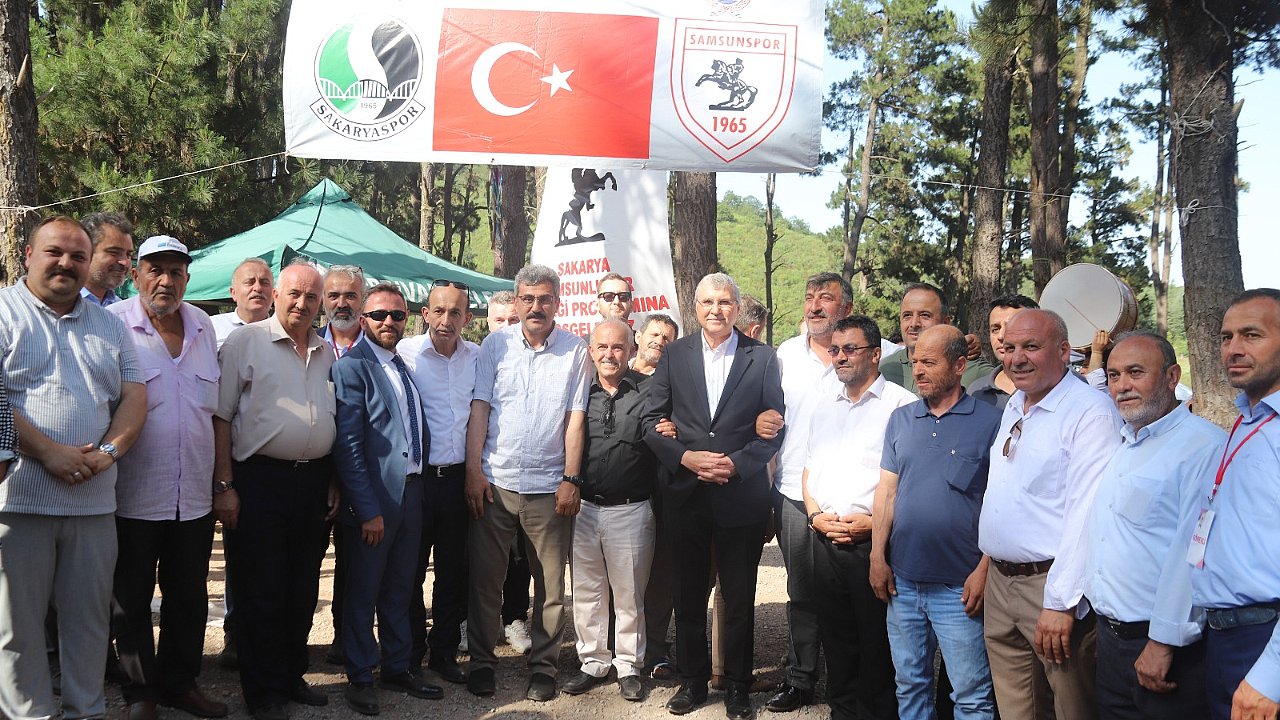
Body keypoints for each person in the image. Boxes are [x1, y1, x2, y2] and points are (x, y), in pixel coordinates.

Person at [0, 216, 147, 720]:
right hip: (19, 502)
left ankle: (87, 712)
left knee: (88, 625)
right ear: (28, 255)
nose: (66, 263)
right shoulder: (3, 312)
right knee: (16, 630)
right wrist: (48, 451)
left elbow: (134, 395)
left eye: (78, 256)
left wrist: (108, 452)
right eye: (54, 252)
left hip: (93, 504)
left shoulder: (109, 324)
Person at [643, 272, 785, 720]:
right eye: (707, 302)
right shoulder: (675, 354)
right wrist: (685, 458)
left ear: (737, 308)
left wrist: (738, 463)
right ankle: (692, 682)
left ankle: (738, 687)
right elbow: (650, 420)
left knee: (739, 598)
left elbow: (775, 426)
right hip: (685, 494)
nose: (716, 310)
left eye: (724, 302)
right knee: (687, 596)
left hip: (739, 494)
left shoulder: (763, 358)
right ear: (696, 308)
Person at [978, 309, 1123, 720]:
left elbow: (1087, 514)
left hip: (1051, 586)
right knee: (1017, 709)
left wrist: (1061, 603)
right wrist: (986, 566)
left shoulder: (1090, 412)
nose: (1016, 358)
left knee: (1072, 707)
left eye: (1031, 347)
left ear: (1063, 351)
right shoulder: (1016, 404)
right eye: (1009, 348)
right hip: (1001, 584)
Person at [106, 236, 228, 720]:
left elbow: (215, 413)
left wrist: (222, 484)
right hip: (132, 493)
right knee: (130, 597)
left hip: (193, 494)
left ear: (187, 279)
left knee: (188, 596)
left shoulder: (203, 325)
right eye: (155, 269)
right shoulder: (113, 324)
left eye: (176, 272)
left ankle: (180, 683)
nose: (165, 280)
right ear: (136, 275)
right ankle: (141, 693)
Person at [213, 262, 340, 720]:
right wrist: (225, 485)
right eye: (294, 294)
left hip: (313, 482)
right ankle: (263, 691)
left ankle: (290, 675)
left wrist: (332, 479)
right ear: (276, 294)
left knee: (302, 588)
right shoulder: (244, 343)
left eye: (312, 296)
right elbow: (221, 417)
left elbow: (331, 420)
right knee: (260, 590)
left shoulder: (326, 351)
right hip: (259, 481)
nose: (302, 303)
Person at [464, 264, 591, 702]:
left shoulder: (575, 350)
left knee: (550, 588)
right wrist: (473, 472)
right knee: (485, 582)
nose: (536, 307)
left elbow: (575, 419)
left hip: (549, 488)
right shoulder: (494, 344)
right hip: (495, 483)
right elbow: (480, 409)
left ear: (557, 303)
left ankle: (543, 667)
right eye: (528, 299)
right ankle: (482, 663)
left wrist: (570, 478)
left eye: (545, 299)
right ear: (516, 302)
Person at [1084, 331, 1220, 720]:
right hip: (1112, 642)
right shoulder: (1126, 443)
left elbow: (1193, 554)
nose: (1122, 385)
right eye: (1113, 375)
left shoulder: (1202, 447)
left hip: (1165, 648)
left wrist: (1163, 641)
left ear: (1172, 377)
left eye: (1136, 372)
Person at [870, 325, 1002, 720]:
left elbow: (1003, 505)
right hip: (903, 583)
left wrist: (984, 570)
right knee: (910, 686)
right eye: (915, 362)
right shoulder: (901, 419)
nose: (918, 371)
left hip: (960, 587)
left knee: (971, 696)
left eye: (929, 362)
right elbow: (886, 493)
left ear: (960, 365)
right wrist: (877, 557)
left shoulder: (991, 422)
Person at [332, 284, 444, 715]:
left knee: (400, 588)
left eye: (397, 315)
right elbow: (348, 447)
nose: (389, 322)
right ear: (363, 319)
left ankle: (397, 667)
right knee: (363, 593)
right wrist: (366, 509)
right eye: (379, 315)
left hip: (411, 494)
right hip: (375, 503)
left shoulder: (401, 365)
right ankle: (360, 675)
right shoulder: (352, 368)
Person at [800, 315, 915, 720]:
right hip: (825, 538)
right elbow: (809, 471)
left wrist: (874, 526)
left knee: (876, 643)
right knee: (837, 640)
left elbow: (911, 483)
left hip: (874, 544)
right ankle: (843, 712)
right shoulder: (824, 406)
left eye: (851, 349)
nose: (840, 357)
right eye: (835, 350)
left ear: (876, 354)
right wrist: (814, 515)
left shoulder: (902, 407)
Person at [761, 273, 852, 713]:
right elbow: (767, 413)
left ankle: (847, 683)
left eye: (826, 299)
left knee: (849, 593)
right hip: (794, 493)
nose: (815, 306)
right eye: (809, 298)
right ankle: (800, 679)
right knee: (801, 592)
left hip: (850, 500)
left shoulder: (875, 354)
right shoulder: (785, 355)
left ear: (846, 308)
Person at [1191, 288, 1280, 720]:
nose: (1233, 349)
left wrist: (1271, 675)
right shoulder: (1246, 421)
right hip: (1224, 638)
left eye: (1252, 335)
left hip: (1264, 642)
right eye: (1226, 337)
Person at [562, 319, 657, 702]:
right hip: (585, 508)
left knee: (629, 594)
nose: (609, 354)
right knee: (587, 591)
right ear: (591, 351)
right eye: (601, 347)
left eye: (617, 347)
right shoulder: (579, 391)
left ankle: (629, 665)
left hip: (631, 510)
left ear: (631, 350)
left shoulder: (650, 392)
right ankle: (593, 662)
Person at [399, 279, 477, 684]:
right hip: (418, 481)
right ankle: (410, 650)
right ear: (425, 314)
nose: (447, 320)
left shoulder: (477, 357)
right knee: (410, 570)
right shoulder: (405, 354)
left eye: (455, 312)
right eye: (439, 311)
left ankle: (444, 653)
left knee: (453, 571)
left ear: (467, 317)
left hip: (459, 481)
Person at [481, 288, 535, 655]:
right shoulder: (477, 356)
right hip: (479, 472)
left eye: (512, 320)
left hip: (522, 476)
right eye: (499, 320)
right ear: (487, 322)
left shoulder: (532, 358)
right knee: (476, 555)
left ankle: (514, 617)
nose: (505, 326)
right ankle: (473, 619)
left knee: (519, 555)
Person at [320, 265, 366, 665]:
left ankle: (344, 636)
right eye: (333, 295)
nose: (342, 303)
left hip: (362, 477)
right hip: (315, 474)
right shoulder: (308, 345)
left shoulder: (384, 350)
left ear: (362, 300)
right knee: (305, 562)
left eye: (350, 295)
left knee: (354, 565)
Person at [630, 312, 680, 678]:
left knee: (661, 572)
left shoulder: (676, 384)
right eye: (654, 334)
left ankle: (656, 648)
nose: (659, 341)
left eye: (667, 338)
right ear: (638, 336)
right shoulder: (612, 373)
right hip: (620, 490)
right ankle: (620, 646)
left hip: (662, 489)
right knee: (621, 576)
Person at [879, 283, 993, 393]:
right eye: (907, 315)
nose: (914, 324)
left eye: (925, 315)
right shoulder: (884, 370)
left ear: (945, 322)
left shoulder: (973, 369)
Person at [968, 295, 1039, 409]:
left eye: (1011, 327)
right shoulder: (976, 392)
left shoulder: (1057, 386)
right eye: (995, 329)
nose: (1001, 336)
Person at [210, 258, 274, 349]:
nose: (258, 288)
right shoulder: (212, 327)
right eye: (249, 282)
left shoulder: (284, 333)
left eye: (264, 283)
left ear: (274, 293)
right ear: (233, 293)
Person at [79, 212, 135, 307]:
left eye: (128, 254)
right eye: (114, 252)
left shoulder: (121, 309)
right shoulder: (60, 304)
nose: (125, 262)